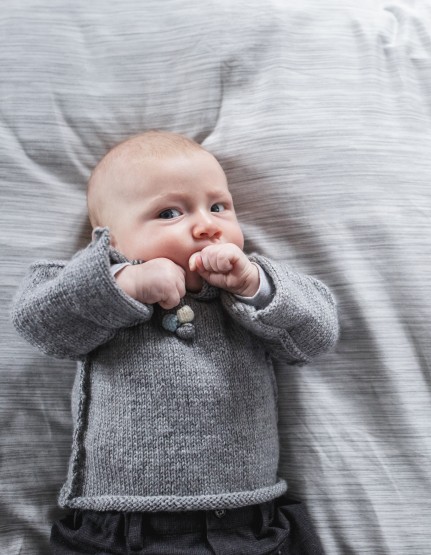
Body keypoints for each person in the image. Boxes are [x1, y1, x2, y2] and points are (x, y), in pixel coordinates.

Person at [11, 131, 340, 554]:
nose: (207, 225)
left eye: (219, 206)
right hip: (120, 525)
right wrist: (124, 283)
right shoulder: (98, 284)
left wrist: (254, 285)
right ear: (108, 239)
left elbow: (317, 335)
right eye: (169, 213)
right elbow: (38, 322)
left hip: (245, 523)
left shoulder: (246, 287)